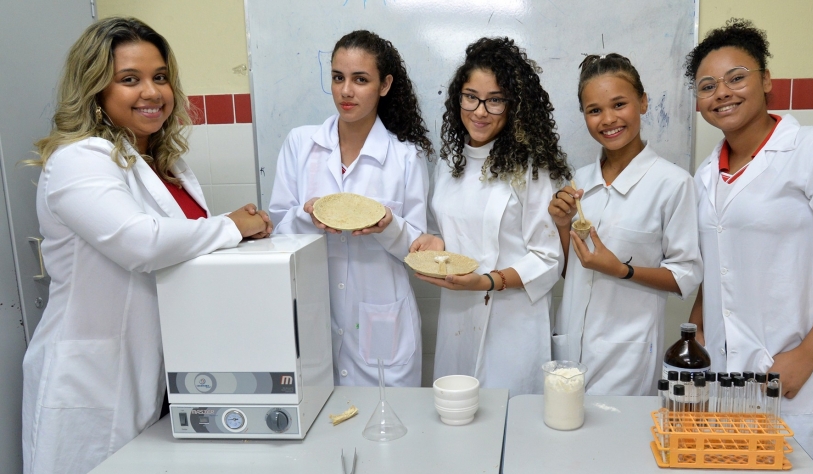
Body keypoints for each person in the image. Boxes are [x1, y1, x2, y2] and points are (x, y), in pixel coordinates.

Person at [21, 17, 271, 474]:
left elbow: (185, 250)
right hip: (91, 380)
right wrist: (232, 225)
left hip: (155, 372)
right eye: (129, 80)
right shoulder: (78, 160)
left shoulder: (159, 162)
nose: (152, 92)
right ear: (96, 89)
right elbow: (141, 243)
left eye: (160, 77)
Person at [684, 19, 813, 474]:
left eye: (737, 78)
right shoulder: (705, 174)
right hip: (726, 377)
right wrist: (696, 330)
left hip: (797, 375)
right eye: (707, 86)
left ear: (766, 80)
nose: (723, 93)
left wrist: (807, 356)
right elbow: (717, 263)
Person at [269, 30, 433, 387]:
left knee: (387, 423)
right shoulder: (301, 145)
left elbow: (419, 249)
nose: (346, 91)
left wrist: (388, 225)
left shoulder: (406, 156)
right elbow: (276, 235)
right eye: (338, 77)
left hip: (381, 317)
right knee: (320, 427)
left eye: (361, 80)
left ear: (384, 85)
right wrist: (306, 216)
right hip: (315, 312)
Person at [410, 37, 569, 397]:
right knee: (458, 421)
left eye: (495, 100)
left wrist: (487, 282)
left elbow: (548, 258)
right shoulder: (450, 163)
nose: (480, 111)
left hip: (513, 323)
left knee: (510, 428)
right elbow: (443, 228)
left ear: (514, 106)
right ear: (458, 98)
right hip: (457, 316)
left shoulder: (532, 168)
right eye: (471, 97)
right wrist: (434, 241)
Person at [548, 54, 702, 396]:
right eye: (594, 110)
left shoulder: (673, 184)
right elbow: (572, 270)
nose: (608, 119)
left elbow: (684, 276)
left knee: (616, 443)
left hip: (627, 354)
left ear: (643, 102)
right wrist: (562, 225)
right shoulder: (579, 182)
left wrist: (622, 270)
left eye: (619, 104)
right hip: (570, 344)